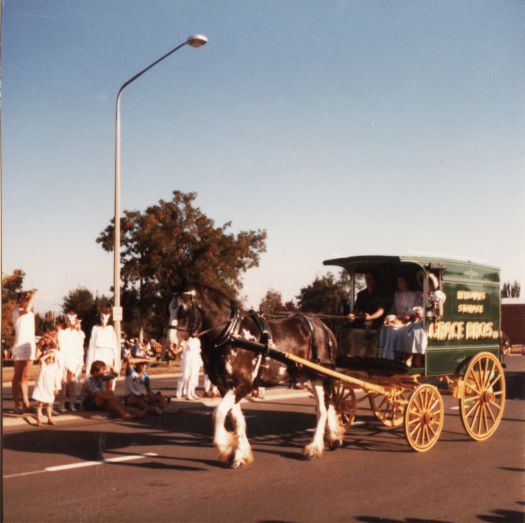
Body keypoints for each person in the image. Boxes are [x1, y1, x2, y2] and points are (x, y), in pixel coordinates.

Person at [81, 360, 146, 419]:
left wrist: (112, 370)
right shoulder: (89, 380)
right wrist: (112, 397)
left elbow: (114, 376)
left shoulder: (100, 377)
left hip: (98, 401)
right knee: (109, 394)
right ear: (95, 371)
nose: (104, 372)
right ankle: (127, 413)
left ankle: (128, 413)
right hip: (88, 403)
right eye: (102, 370)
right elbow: (98, 394)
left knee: (112, 401)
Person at [379, 277, 421, 359]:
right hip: (397, 317)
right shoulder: (396, 294)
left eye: (401, 282)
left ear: (406, 283)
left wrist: (401, 321)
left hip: (407, 318)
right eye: (398, 282)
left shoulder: (411, 294)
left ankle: (391, 356)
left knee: (391, 328)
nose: (399, 284)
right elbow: (393, 309)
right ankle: (384, 355)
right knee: (386, 323)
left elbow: (410, 311)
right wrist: (389, 318)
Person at [11, 290, 37, 414]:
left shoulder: (31, 314)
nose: (26, 301)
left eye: (27, 299)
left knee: (26, 376)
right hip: (20, 346)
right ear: (20, 300)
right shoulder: (16, 312)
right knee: (17, 377)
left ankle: (25, 403)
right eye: (24, 299)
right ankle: (17, 405)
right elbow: (26, 309)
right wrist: (32, 296)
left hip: (29, 346)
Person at [86, 308, 120, 389]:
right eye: (102, 317)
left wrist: (116, 364)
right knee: (98, 382)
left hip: (108, 359)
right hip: (98, 359)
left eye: (107, 317)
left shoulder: (111, 329)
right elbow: (91, 347)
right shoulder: (95, 328)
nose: (104, 320)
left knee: (109, 382)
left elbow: (115, 348)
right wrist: (89, 364)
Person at [57, 311, 85, 412]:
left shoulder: (79, 334)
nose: (71, 323)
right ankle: (62, 404)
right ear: (66, 321)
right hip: (64, 358)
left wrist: (79, 361)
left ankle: (72, 404)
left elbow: (80, 347)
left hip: (74, 359)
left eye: (73, 320)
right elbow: (61, 346)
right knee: (64, 382)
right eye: (69, 320)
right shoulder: (62, 333)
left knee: (72, 382)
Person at [32, 348, 62, 426]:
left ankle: (49, 419)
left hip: (50, 388)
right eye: (49, 359)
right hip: (41, 388)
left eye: (52, 359)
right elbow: (41, 359)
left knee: (49, 405)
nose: (50, 360)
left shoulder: (55, 368)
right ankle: (38, 420)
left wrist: (57, 388)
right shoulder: (44, 366)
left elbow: (56, 379)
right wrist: (48, 354)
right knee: (40, 404)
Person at [175, 332, 202, 400]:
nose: (195, 333)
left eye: (196, 332)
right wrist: (176, 351)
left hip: (196, 358)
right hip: (188, 359)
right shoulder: (186, 340)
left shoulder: (198, 340)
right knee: (185, 376)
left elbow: (199, 350)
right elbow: (180, 349)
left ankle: (190, 393)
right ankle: (179, 392)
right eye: (194, 332)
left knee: (194, 376)